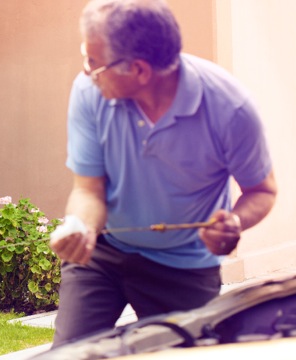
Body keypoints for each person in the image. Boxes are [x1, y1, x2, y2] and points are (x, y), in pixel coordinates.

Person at [49, 0, 277, 348]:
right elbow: (89, 190)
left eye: (94, 62)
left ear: (138, 70)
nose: (86, 72)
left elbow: (263, 191)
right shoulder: (89, 91)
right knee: (70, 355)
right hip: (104, 255)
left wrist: (233, 222)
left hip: (185, 266)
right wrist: (80, 227)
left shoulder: (231, 109)